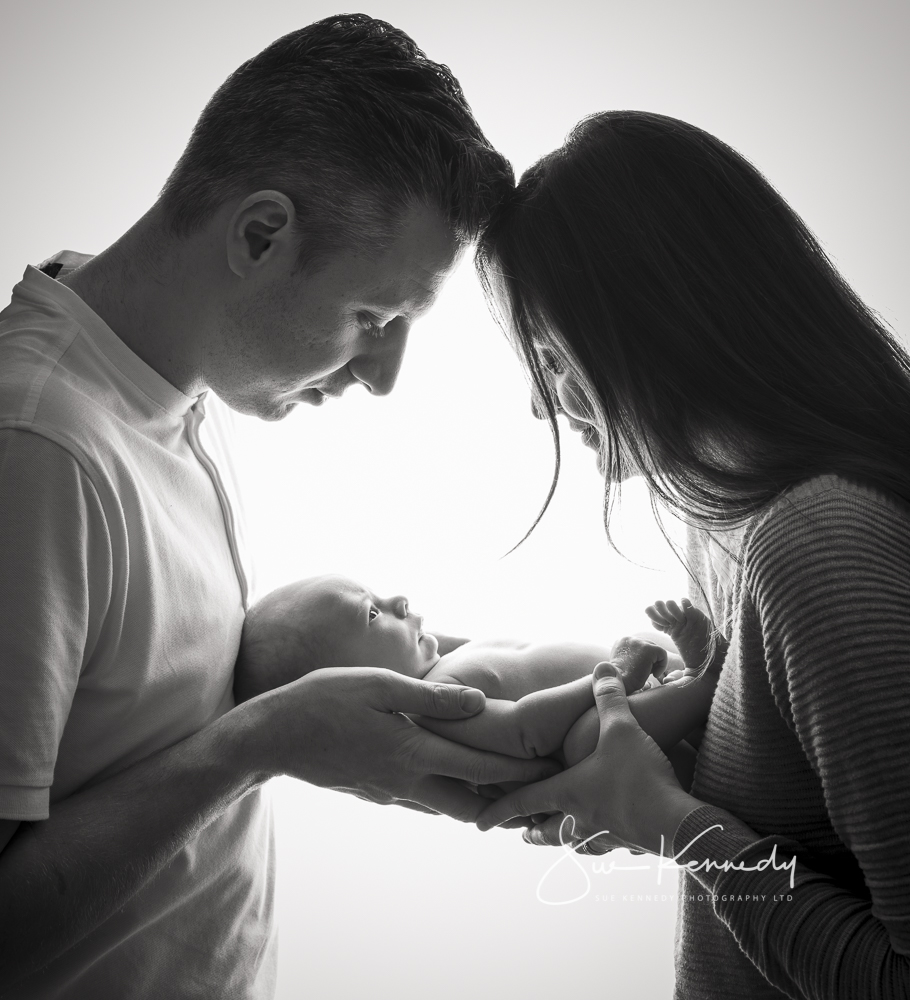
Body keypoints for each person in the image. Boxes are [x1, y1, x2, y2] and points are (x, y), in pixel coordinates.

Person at [0, 15, 561, 997]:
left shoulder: (175, 392)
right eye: (374, 319)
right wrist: (264, 741)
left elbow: (141, 732)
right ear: (261, 235)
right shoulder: (37, 451)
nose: (383, 376)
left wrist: (406, 697)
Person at [472, 111, 910, 999]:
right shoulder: (722, 521)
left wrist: (676, 826)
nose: (538, 403)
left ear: (659, 330)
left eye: (553, 357)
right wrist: (658, 770)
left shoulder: (815, 546)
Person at [233, 575, 724, 764]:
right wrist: (615, 674)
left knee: (648, 645)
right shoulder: (435, 702)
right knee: (586, 740)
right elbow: (527, 732)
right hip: (621, 737)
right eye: (372, 613)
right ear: (351, 679)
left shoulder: (446, 660)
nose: (398, 598)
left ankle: (692, 675)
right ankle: (706, 678)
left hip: (642, 693)